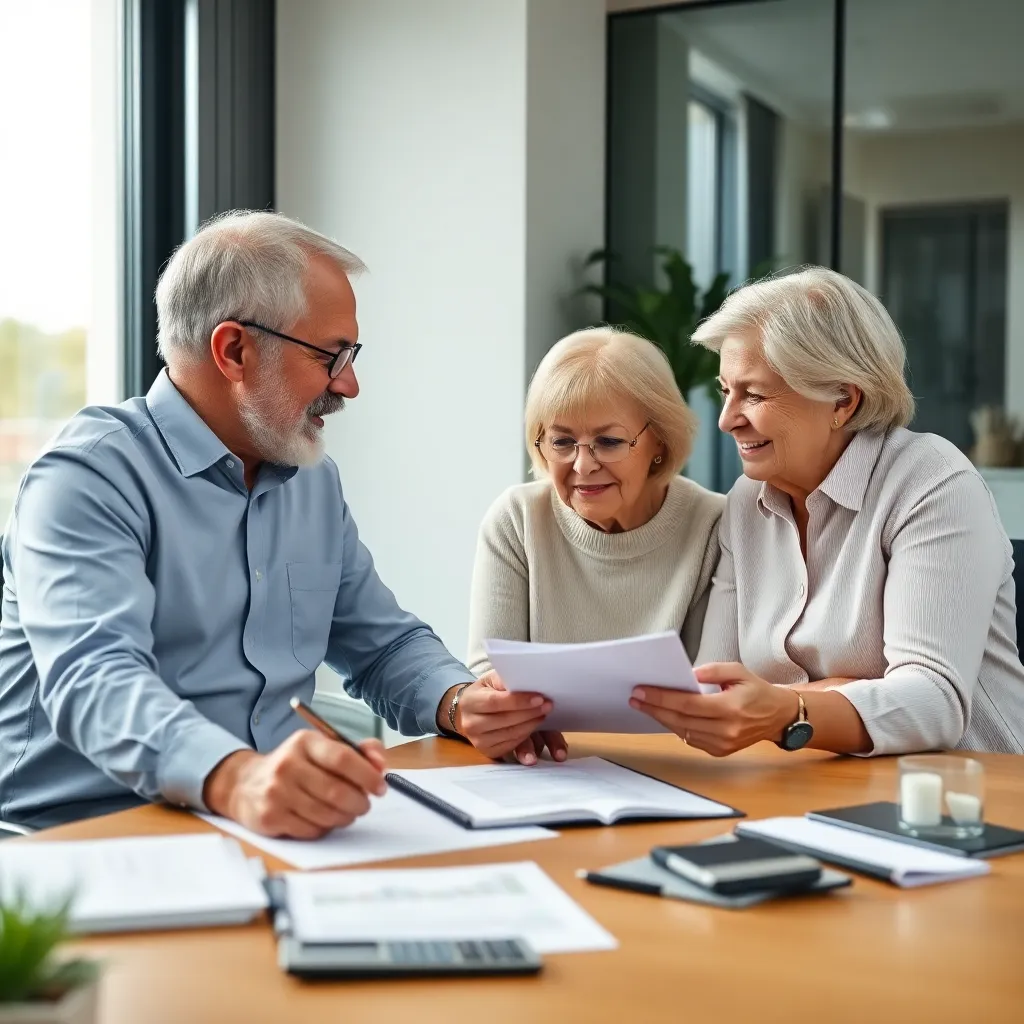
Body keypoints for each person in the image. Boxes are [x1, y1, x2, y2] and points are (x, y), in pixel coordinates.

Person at [0, 211, 549, 834]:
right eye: (331, 355)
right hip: (85, 838)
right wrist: (237, 778)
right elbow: (94, 680)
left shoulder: (312, 480)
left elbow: (382, 645)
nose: (350, 385)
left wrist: (461, 702)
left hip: (264, 830)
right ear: (234, 350)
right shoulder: (87, 478)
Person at [628, 266, 1024, 756]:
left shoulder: (932, 482)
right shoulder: (745, 503)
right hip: (812, 783)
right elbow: (718, 691)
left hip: (965, 788)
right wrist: (831, 696)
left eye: (754, 394)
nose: (727, 420)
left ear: (842, 401)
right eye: (726, 390)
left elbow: (933, 703)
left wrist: (787, 709)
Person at [463, 326, 725, 766]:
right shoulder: (517, 519)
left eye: (609, 441)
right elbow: (489, 678)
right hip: (545, 770)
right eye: (562, 442)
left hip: (681, 767)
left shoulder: (713, 525)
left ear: (660, 441)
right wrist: (495, 717)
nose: (583, 465)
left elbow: (713, 694)